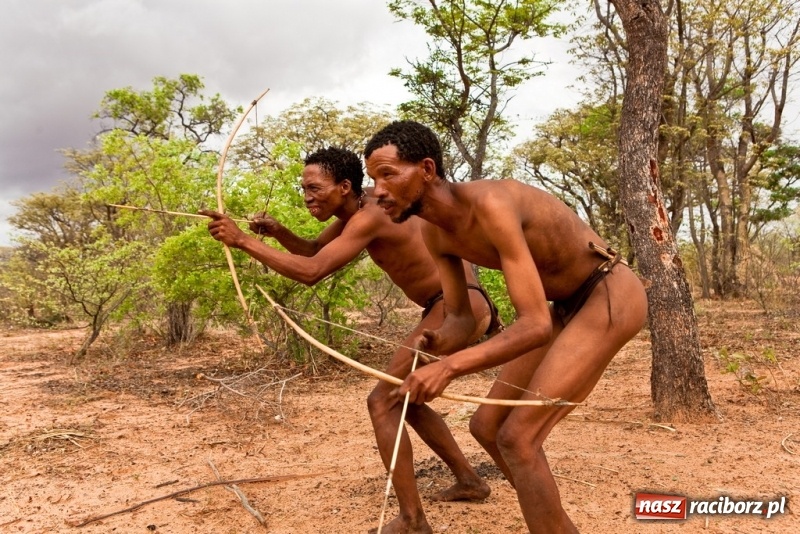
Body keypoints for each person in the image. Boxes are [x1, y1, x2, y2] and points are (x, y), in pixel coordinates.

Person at [364, 121, 648, 533]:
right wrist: (438, 342)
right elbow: (461, 318)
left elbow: (533, 326)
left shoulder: (492, 203)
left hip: (608, 292)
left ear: (426, 169)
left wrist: (448, 368)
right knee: (487, 427)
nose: (378, 190)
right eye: (373, 179)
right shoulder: (434, 233)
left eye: (388, 174)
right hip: (563, 307)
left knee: (518, 438)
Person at [201, 146, 500, 534]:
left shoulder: (371, 214)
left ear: (344, 186)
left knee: (382, 401)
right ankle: (470, 480)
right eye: (304, 189)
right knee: (403, 397)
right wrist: (277, 232)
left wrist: (242, 241)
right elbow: (314, 250)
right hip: (459, 306)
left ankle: (412, 520)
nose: (307, 197)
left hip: (454, 308)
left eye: (315, 188)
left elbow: (312, 271)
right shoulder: (360, 210)